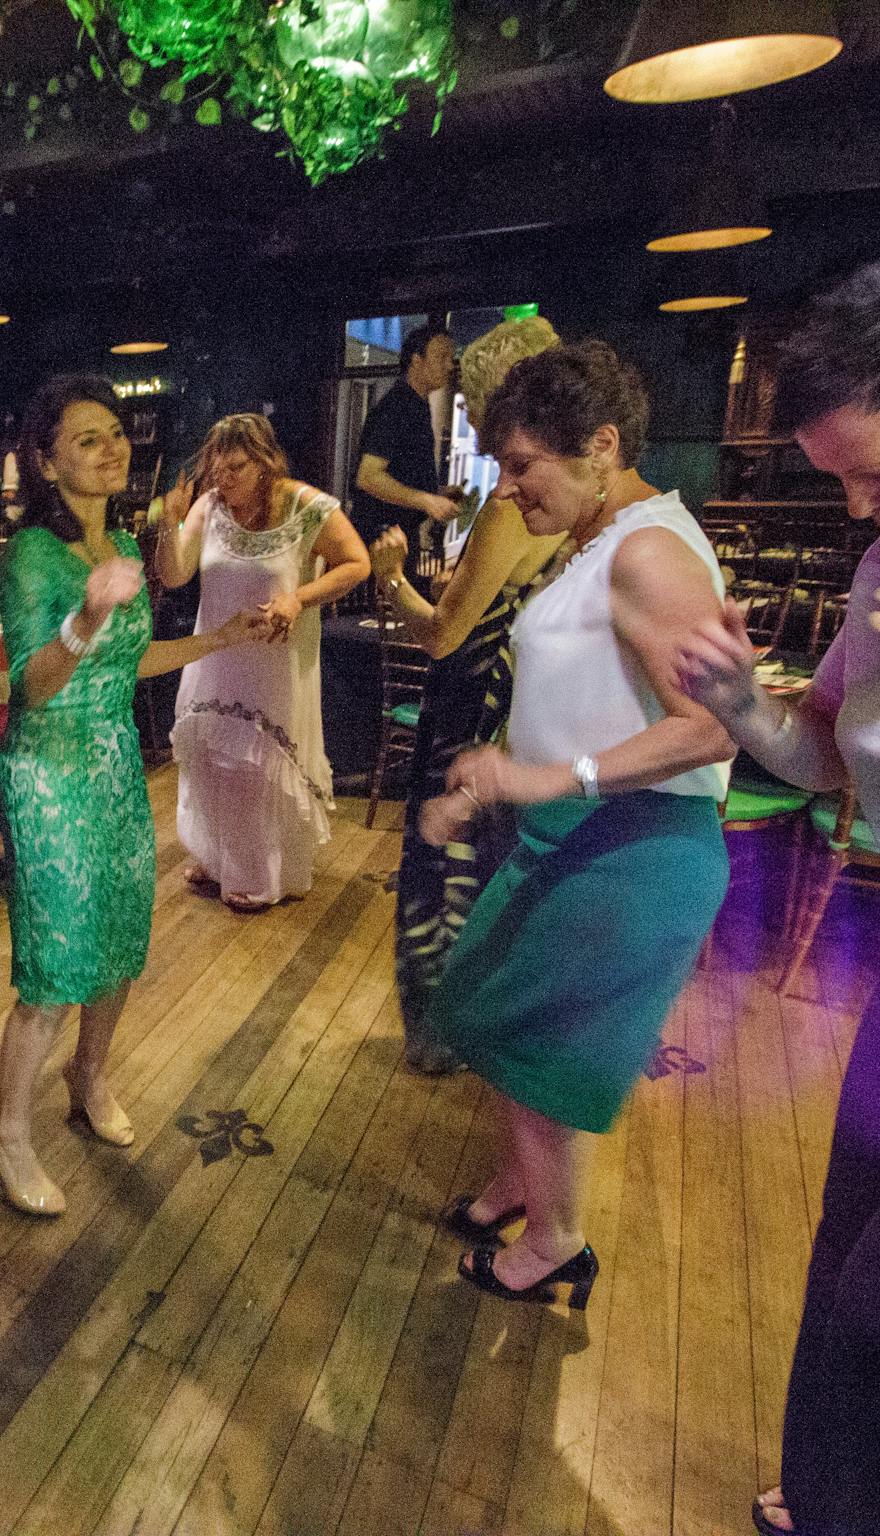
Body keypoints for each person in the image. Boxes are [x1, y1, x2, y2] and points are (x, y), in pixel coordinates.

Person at [417, 340, 733, 1312]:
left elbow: (714, 724)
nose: (505, 490)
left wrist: (549, 773)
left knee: (541, 1044)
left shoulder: (644, 549)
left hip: (630, 848)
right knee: (481, 1005)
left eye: (521, 467)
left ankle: (554, 1242)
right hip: (570, 835)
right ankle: (521, 1185)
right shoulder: (602, 539)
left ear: (599, 444)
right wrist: (501, 780)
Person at [669, 263, 880, 1536]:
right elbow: (820, 749)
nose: (859, 508)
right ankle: (826, 1493)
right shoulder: (873, 580)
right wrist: (740, 706)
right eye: (841, 480)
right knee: (841, 1235)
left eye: (871, 470)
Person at [0, 376, 267, 1217]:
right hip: (48, 770)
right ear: (46, 460)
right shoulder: (31, 554)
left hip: (111, 761)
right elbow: (29, 686)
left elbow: (127, 665)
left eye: (114, 434)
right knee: (56, 964)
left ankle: (90, 1076)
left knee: (117, 935)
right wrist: (83, 623)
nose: (111, 450)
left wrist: (220, 638)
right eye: (86, 440)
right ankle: (6, 1134)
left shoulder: (128, 552)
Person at [368, 316, 570, 1074]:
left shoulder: (509, 509)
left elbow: (445, 635)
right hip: (523, 702)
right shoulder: (574, 504)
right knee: (496, 861)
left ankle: (441, 1031)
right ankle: (491, 1029)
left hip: (471, 700)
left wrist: (392, 582)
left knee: (443, 861)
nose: (474, 426)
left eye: (475, 403)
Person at [158, 413, 371, 911]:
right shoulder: (208, 508)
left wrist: (299, 598)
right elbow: (173, 575)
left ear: (264, 463)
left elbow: (357, 563)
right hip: (214, 654)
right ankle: (218, 860)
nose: (223, 480)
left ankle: (262, 873)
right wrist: (170, 523)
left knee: (258, 770)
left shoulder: (305, 505)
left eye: (235, 468)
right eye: (216, 469)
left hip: (275, 663)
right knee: (212, 763)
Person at [353, 324, 460, 560]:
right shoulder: (396, 407)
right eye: (442, 356)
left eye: (451, 358)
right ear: (416, 360)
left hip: (398, 535)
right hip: (381, 539)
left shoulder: (416, 406)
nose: (450, 365)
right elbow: (368, 477)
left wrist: (436, 492)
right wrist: (427, 500)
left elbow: (400, 473)